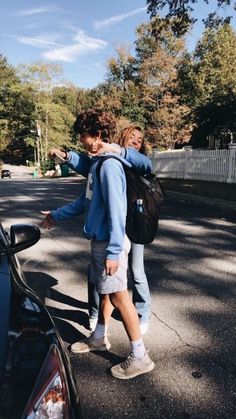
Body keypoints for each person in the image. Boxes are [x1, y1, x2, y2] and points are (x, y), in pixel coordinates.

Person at [41, 109, 154, 380]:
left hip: (109, 243)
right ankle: (99, 337)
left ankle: (140, 356)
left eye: (84, 137)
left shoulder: (111, 166)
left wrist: (114, 251)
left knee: (119, 296)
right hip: (101, 241)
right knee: (105, 293)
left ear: (97, 136)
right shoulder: (97, 165)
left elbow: (117, 211)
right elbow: (84, 202)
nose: (83, 142)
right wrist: (55, 216)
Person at [88, 125, 151, 335]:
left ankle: (142, 313)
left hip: (135, 222)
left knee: (137, 270)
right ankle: (96, 314)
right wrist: (68, 157)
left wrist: (119, 151)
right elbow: (87, 166)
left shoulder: (136, 160)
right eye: (132, 136)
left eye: (140, 139)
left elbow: (147, 164)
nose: (136, 140)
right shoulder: (110, 161)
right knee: (97, 275)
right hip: (116, 226)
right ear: (122, 137)